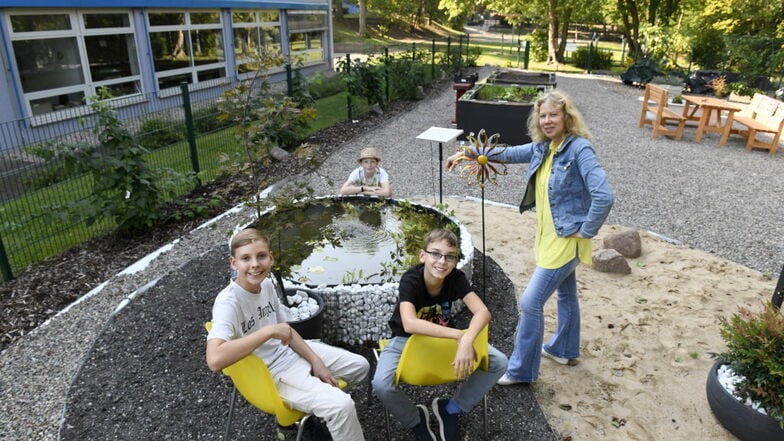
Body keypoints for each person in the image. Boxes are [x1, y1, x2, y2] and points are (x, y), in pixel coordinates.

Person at [446, 90, 614, 386]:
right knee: (565, 292)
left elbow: (604, 195)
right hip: (550, 236)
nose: (547, 120)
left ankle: (522, 369)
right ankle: (563, 349)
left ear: (567, 117)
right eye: (543, 115)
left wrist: (587, 230)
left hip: (567, 239)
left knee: (530, 302)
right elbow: (506, 154)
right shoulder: (542, 148)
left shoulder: (580, 149)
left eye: (553, 114)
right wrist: (467, 153)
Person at [205, 228, 370, 441]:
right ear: (233, 263)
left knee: (360, 366)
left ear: (271, 258)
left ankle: (316, 410)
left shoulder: (266, 285)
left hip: (289, 354)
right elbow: (214, 360)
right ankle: (311, 415)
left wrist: (315, 360)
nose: (255, 264)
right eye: (246, 258)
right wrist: (268, 332)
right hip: (271, 374)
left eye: (261, 256)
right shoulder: (229, 302)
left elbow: (287, 332)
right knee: (342, 406)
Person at [372, 229, 508, 441]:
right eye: (435, 253)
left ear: (455, 261)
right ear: (422, 255)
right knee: (381, 384)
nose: (442, 261)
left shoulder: (455, 278)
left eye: (449, 256)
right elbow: (409, 323)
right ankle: (416, 420)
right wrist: (459, 336)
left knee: (499, 362)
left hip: (443, 340)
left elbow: (483, 312)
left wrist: (467, 338)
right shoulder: (411, 279)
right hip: (406, 341)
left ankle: (451, 409)